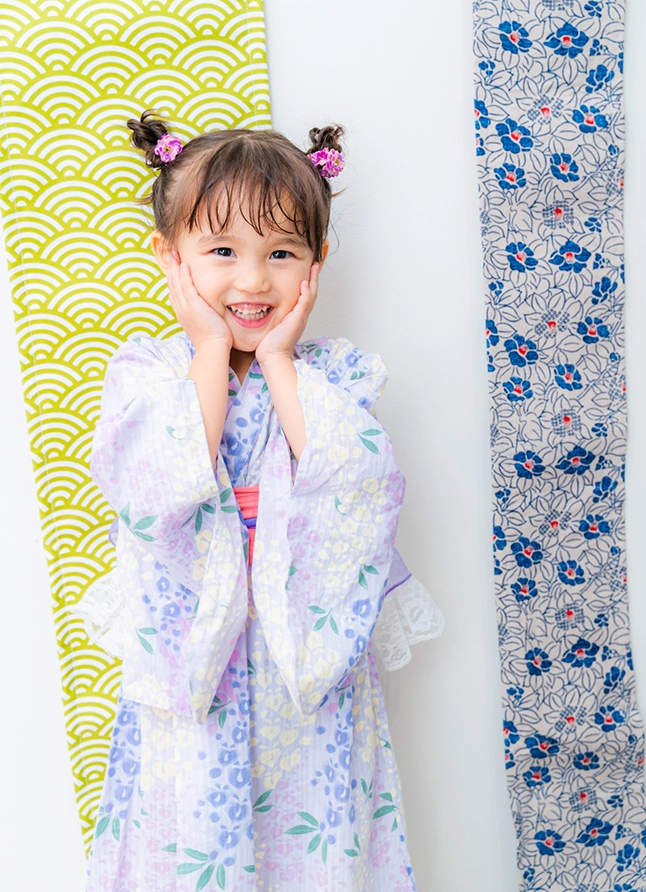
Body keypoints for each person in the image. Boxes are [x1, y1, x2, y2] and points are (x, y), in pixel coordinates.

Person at [78, 112, 444, 892]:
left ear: (316, 261)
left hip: (300, 663)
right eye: (222, 252)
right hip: (194, 668)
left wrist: (278, 359)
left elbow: (354, 484)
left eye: (281, 252)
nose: (252, 280)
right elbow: (156, 486)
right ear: (170, 257)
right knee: (187, 833)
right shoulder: (151, 373)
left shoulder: (333, 377)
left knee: (316, 835)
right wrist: (212, 346)